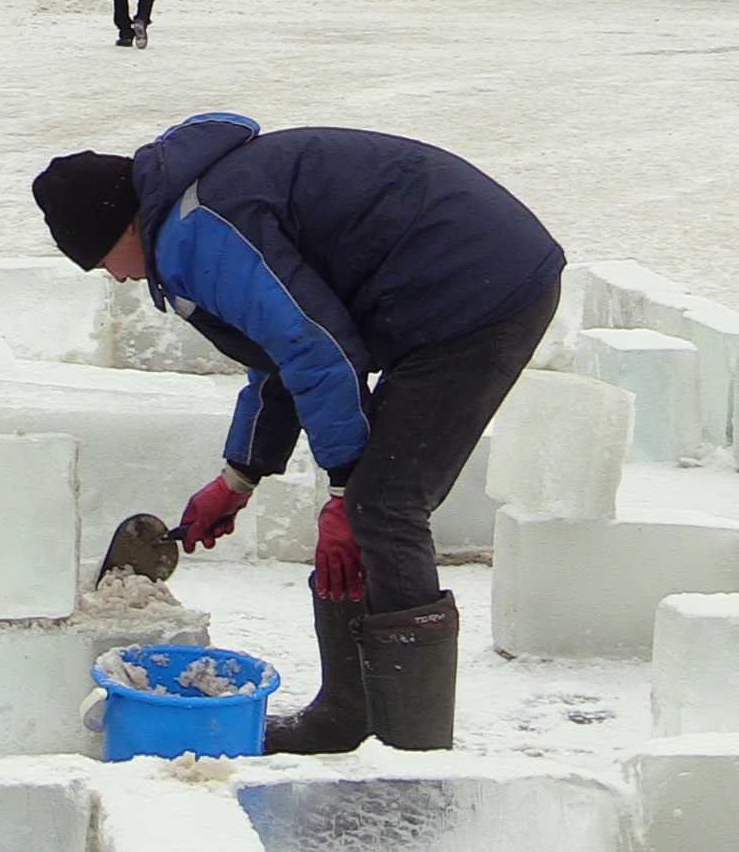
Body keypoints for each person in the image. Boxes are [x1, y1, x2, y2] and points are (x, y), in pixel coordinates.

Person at [31, 115, 564, 755]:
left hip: (476, 292)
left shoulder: (200, 232)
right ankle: (348, 714)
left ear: (121, 226)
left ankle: (411, 746)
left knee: (384, 506)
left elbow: (316, 349)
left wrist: (342, 493)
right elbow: (278, 350)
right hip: (445, 287)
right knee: (370, 503)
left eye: (100, 261)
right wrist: (237, 479)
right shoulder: (192, 215)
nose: (115, 278)